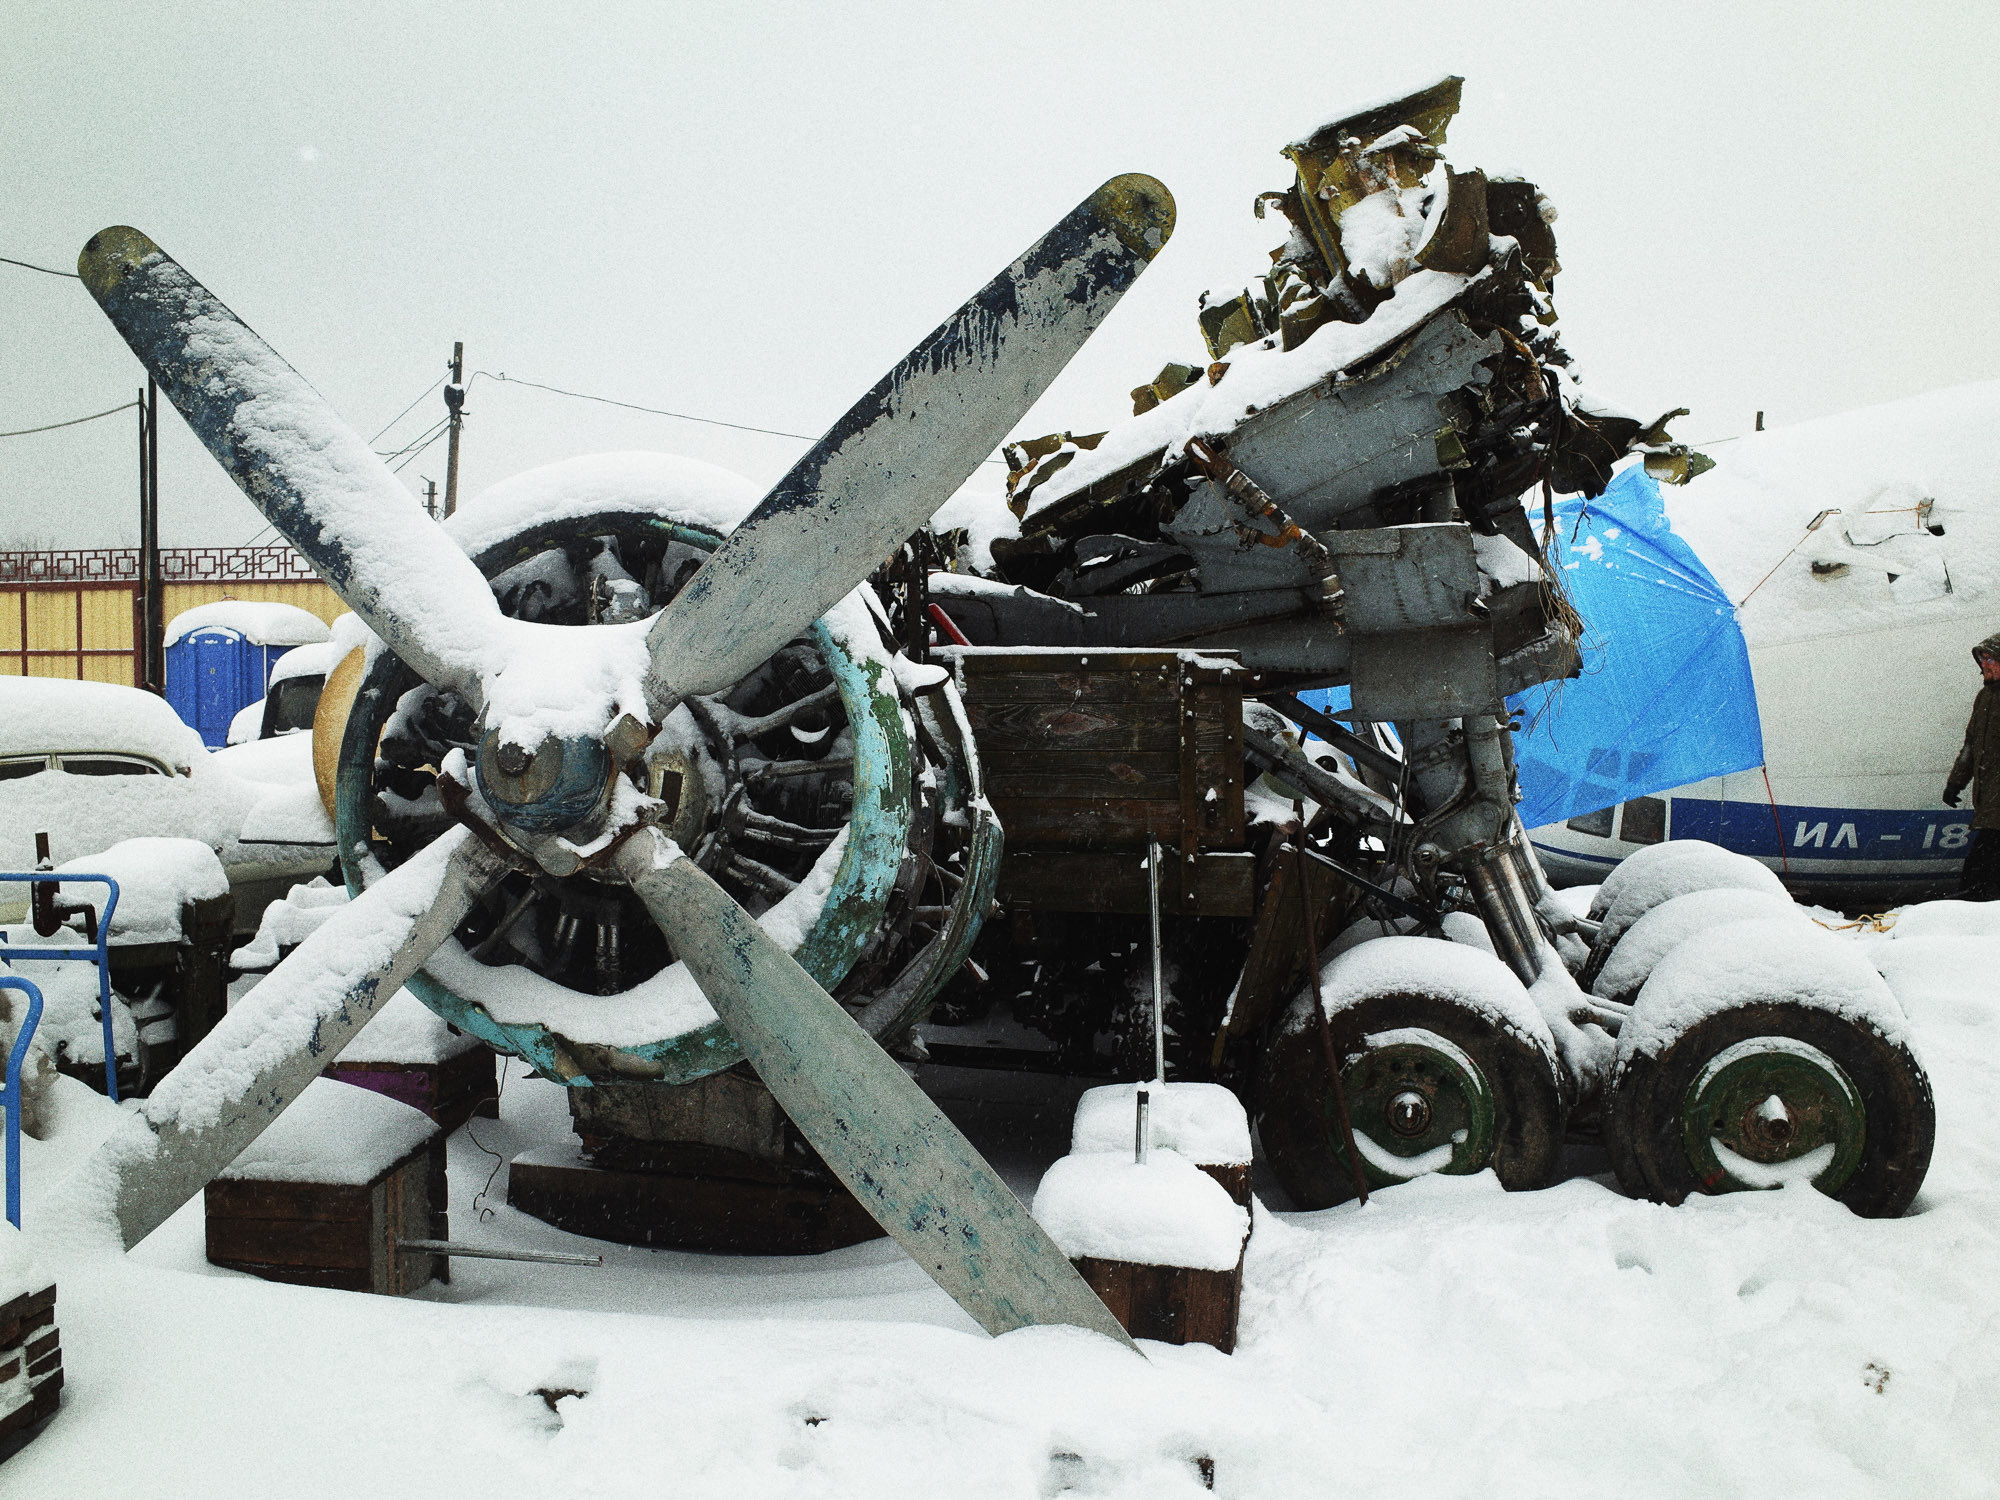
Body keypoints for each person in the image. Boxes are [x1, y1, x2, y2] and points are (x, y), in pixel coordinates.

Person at [1943, 631, 2000, 899]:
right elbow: (1971, 746)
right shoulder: (1984, 698)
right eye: (1983, 658)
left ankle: (1973, 909)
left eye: (1992, 659)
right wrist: (1956, 783)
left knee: (1981, 867)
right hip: (1989, 802)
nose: (1986, 664)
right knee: (1983, 867)